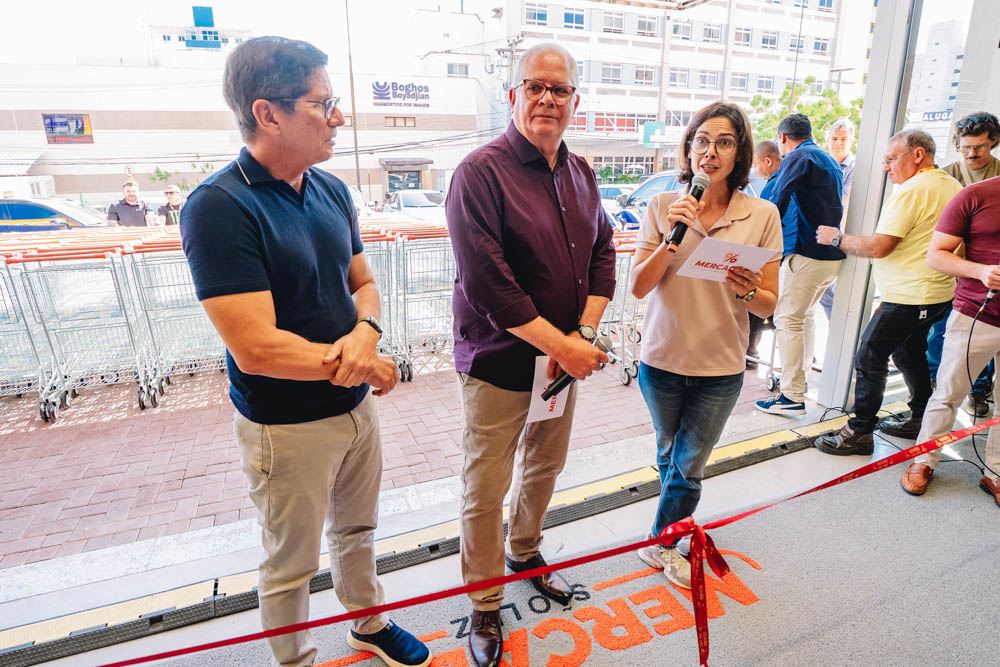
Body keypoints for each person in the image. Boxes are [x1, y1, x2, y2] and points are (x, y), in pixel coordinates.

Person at [180, 36, 429, 667]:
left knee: (358, 533)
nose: (338, 118)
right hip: (284, 425)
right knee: (290, 561)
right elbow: (256, 346)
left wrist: (367, 336)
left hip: (354, 408)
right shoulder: (219, 207)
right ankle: (295, 659)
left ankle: (368, 624)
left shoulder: (329, 190)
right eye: (323, 103)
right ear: (269, 113)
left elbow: (364, 283)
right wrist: (364, 364)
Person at [445, 42, 615, 667]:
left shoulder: (580, 171)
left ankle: (525, 549)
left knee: (544, 467)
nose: (548, 98)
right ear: (512, 94)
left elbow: (603, 252)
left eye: (560, 89)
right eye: (535, 86)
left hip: (561, 361)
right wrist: (565, 346)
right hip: (499, 361)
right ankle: (485, 602)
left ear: (575, 99)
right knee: (485, 485)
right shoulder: (479, 173)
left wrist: (585, 335)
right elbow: (490, 284)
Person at [628, 102, 781, 589]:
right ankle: (671, 526)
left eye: (723, 142)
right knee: (669, 453)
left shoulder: (762, 214)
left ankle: (662, 541)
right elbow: (637, 286)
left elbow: (767, 304)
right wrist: (671, 239)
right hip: (662, 358)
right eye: (701, 141)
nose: (709, 152)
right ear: (688, 149)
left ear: (739, 154)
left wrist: (745, 288)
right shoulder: (661, 207)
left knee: (689, 466)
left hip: (721, 364)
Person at [813, 130, 960, 454]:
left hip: (911, 296)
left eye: (891, 159)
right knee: (908, 353)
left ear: (918, 155)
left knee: (870, 355)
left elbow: (879, 246)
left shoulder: (913, 190)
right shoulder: (950, 184)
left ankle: (859, 432)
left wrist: (836, 238)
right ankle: (921, 416)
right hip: (937, 293)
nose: (886, 168)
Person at [899, 175, 1000, 507]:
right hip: (977, 314)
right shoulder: (975, 196)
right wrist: (981, 271)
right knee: (948, 394)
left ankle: (996, 471)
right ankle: (923, 460)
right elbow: (936, 256)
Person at [755, 114, 845, 416]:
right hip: (829, 256)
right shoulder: (827, 159)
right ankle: (799, 383)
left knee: (787, 319)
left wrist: (762, 235)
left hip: (805, 252)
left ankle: (791, 395)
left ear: (783, 138)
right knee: (803, 318)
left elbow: (777, 199)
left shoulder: (799, 155)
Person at [928, 111, 1000, 417]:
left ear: (993, 143)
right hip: (952, 269)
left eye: (979, 148)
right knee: (939, 335)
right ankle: (939, 388)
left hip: (987, 283)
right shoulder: (947, 176)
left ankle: (979, 388)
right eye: (965, 147)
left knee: (983, 344)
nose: (971, 154)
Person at [746, 140, 783, 368]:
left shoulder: (773, 188)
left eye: (757, 166)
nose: (757, 172)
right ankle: (751, 352)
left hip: (775, 256)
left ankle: (750, 353)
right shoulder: (788, 180)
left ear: (767, 161)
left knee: (757, 302)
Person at [818, 117, 857, 320]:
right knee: (823, 291)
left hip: (843, 235)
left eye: (843, 138)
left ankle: (841, 328)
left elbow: (844, 200)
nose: (838, 143)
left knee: (833, 291)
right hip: (820, 234)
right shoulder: (822, 162)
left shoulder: (854, 168)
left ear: (851, 140)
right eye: (834, 138)